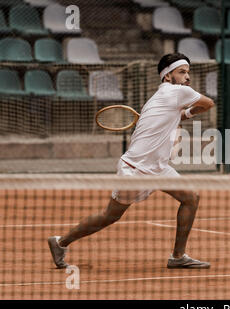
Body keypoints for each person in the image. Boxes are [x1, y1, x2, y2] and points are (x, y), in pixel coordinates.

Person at [48, 53, 215, 269]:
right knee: (110, 216)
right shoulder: (177, 92)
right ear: (167, 76)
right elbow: (208, 103)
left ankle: (178, 256)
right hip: (136, 170)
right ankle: (61, 242)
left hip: (159, 168)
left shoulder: (157, 100)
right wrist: (189, 113)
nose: (187, 77)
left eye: (188, 73)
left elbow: (173, 119)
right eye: (182, 72)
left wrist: (183, 115)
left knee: (191, 198)